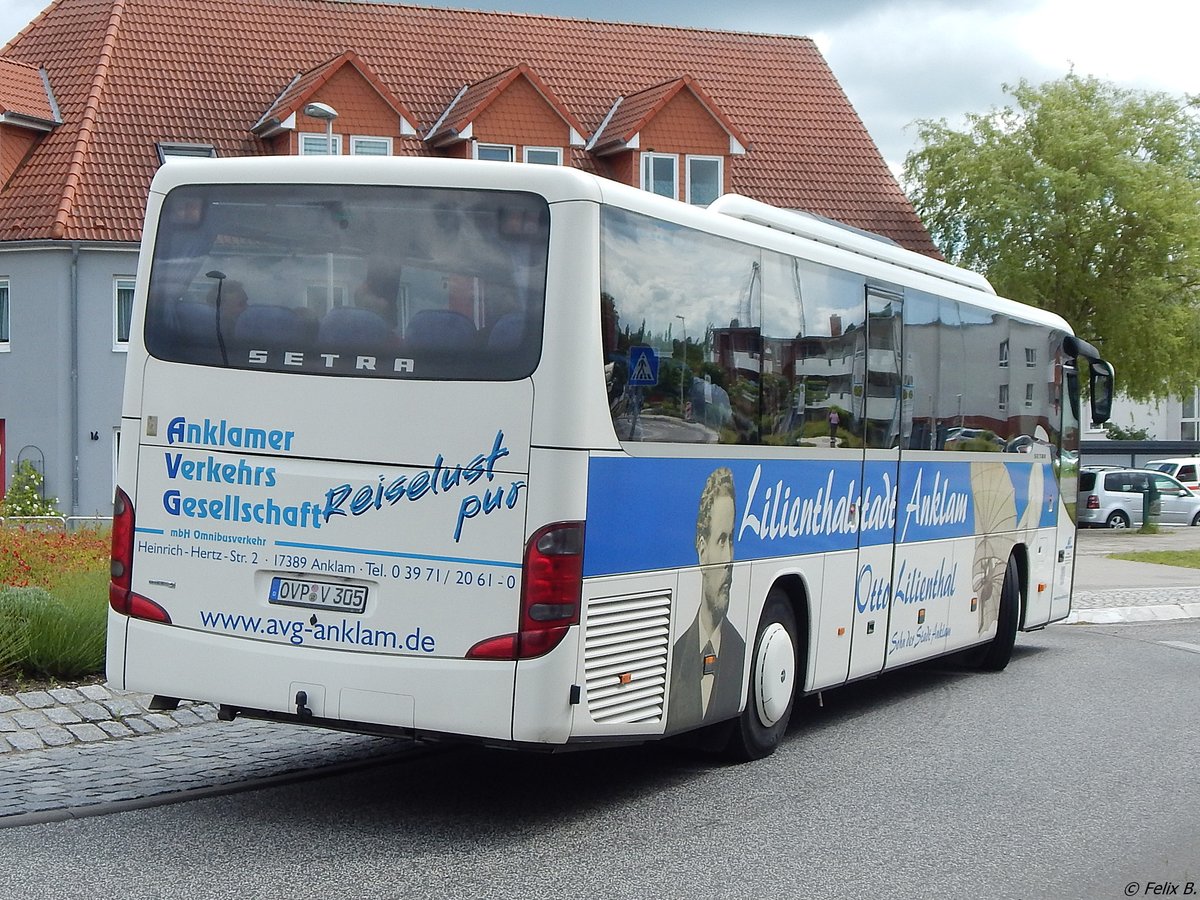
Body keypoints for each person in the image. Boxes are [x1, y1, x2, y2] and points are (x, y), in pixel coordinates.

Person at [667, 467, 746, 731]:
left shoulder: (742, 651)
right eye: (721, 540)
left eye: (732, 540)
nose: (730, 559)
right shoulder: (675, 656)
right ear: (702, 551)